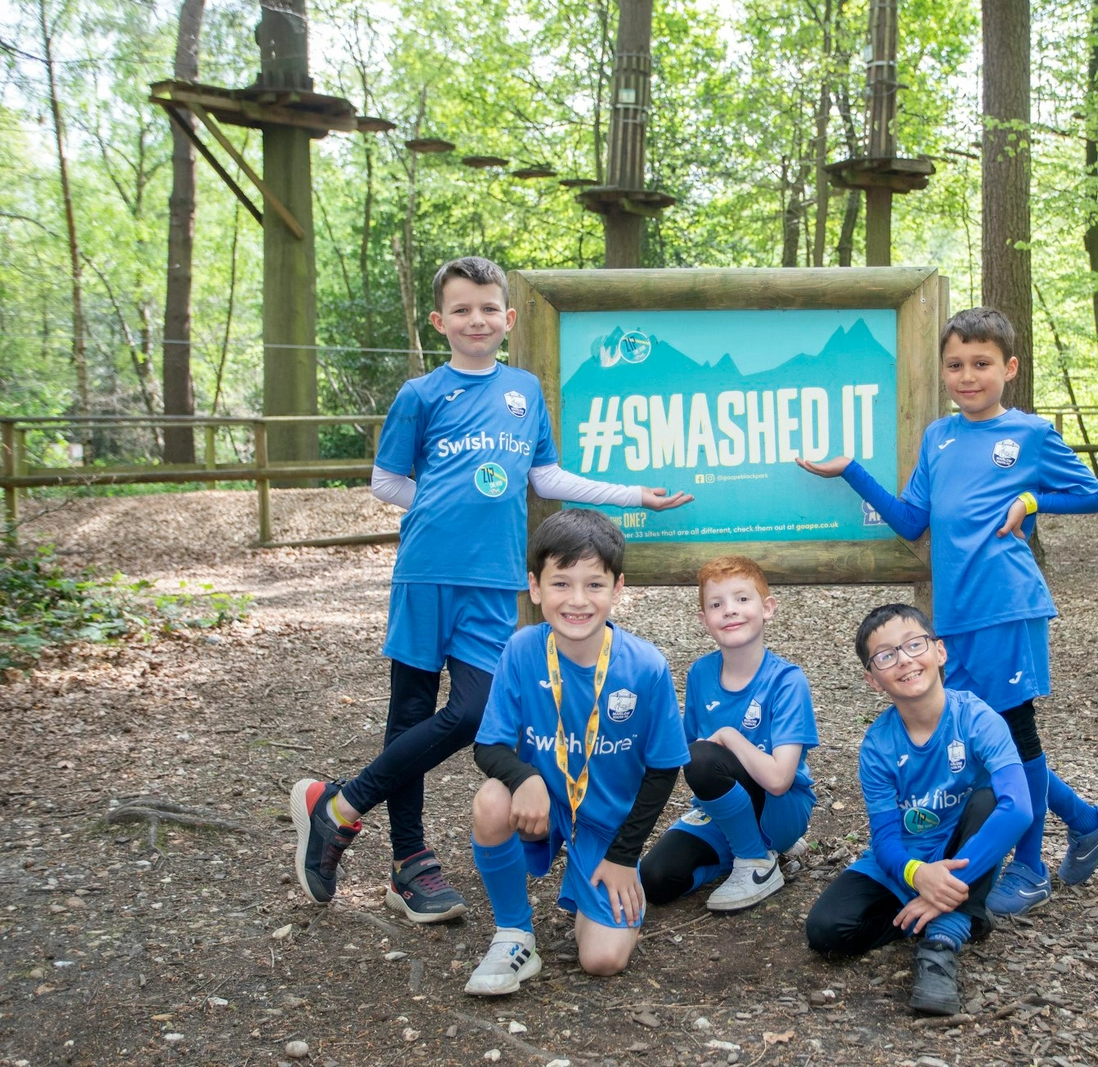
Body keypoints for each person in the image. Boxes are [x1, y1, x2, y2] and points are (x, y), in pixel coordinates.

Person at [290, 257, 690, 923]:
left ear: (507, 319)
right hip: (424, 574)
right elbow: (386, 484)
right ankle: (409, 865)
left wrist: (632, 497)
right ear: (439, 321)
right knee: (410, 719)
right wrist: (442, 503)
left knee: (474, 711)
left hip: (494, 580)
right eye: (461, 309)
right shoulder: (420, 394)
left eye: (487, 309)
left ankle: (338, 805)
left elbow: (548, 478)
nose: (476, 320)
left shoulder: (524, 391)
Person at [798, 306, 1098, 917]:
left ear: (1009, 368)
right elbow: (911, 522)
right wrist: (851, 472)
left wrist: (1030, 499)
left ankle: (1028, 869)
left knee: (1015, 735)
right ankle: (1088, 821)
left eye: (981, 364)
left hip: (1006, 607)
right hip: (952, 617)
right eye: (955, 365)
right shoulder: (938, 437)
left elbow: (1093, 493)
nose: (967, 376)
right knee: (983, 739)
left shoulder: (1029, 433)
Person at [465, 508, 690, 993]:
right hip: (540, 809)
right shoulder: (522, 650)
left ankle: (592, 883)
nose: (577, 600)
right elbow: (489, 744)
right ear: (536, 587)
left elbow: (664, 768)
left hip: (607, 828)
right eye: (561, 583)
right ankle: (513, 935)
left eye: (594, 584)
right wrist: (524, 778)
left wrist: (626, 855)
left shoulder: (646, 666)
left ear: (617, 588)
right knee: (490, 800)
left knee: (603, 961)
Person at [805, 603, 1030, 1015]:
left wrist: (942, 890)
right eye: (886, 655)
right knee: (825, 931)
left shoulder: (978, 720)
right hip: (908, 861)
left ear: (939, 652)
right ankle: (958, 912)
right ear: (873, 679)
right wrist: (918, 875)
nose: (905, 660)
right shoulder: (878, 745)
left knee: (990, 800)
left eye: (914, 644)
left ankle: (942, 937)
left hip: (964, 854)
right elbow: (886, 838)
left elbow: (1019, 810)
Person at [640, 556, 818, 913]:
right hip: (721, 811)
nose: (730, 611)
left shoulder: (786, 681)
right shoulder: (700, 673)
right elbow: (682, 751)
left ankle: (757, 862)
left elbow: (781, 780)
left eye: (742, 599)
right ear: (704, 620)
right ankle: (744, 847)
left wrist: (728, 734)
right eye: (717, 604)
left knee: (704, 759)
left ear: (767, 608)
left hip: (780, 809)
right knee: (655, 880)